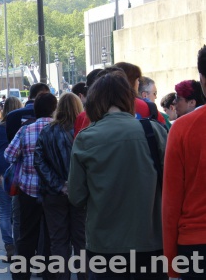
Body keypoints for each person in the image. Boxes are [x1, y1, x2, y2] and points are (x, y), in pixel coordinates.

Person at [69, 70, 167, 280]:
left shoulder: (86, 138)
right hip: (150, 241)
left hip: (105, 245)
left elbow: (76, 196)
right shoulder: (154, 131)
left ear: (95, 101)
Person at [163, 45, 206, 279]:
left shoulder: (181, 129)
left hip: (196, 246)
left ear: (203, 80)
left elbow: (171, 203)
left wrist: (172, 268)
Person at [5, 92, 57, 280]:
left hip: (29, 190)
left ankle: (21, 275)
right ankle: (49, 274)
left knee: (26, 236)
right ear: (54, 109)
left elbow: (9, 155)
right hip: (54, 191)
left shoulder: (26, 130)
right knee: (51, 237)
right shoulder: (59, 129)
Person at [33, 93, 85, 280]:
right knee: (82, 242)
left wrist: (58, 185)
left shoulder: (48, 131)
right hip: (80, 195)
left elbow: (39, 162)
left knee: (58, 242)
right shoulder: (83, 131)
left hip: (53, 195)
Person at [0, 96, 22, 262]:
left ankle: (9, 247)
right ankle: (20, 247)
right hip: (17, 172)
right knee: (18, 213)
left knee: (4, 211)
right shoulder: (23, 127)